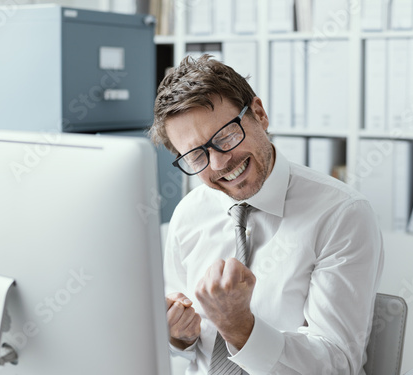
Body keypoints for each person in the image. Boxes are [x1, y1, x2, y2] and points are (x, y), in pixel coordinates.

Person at [149, 54, 384, 375]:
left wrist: (240, 327)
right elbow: (182, 352)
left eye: (226, 136)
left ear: (259, 114)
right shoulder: (189, 214)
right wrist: (180, 337)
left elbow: (338, 363)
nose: (218, 164)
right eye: (196, 154)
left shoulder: (341, 214)